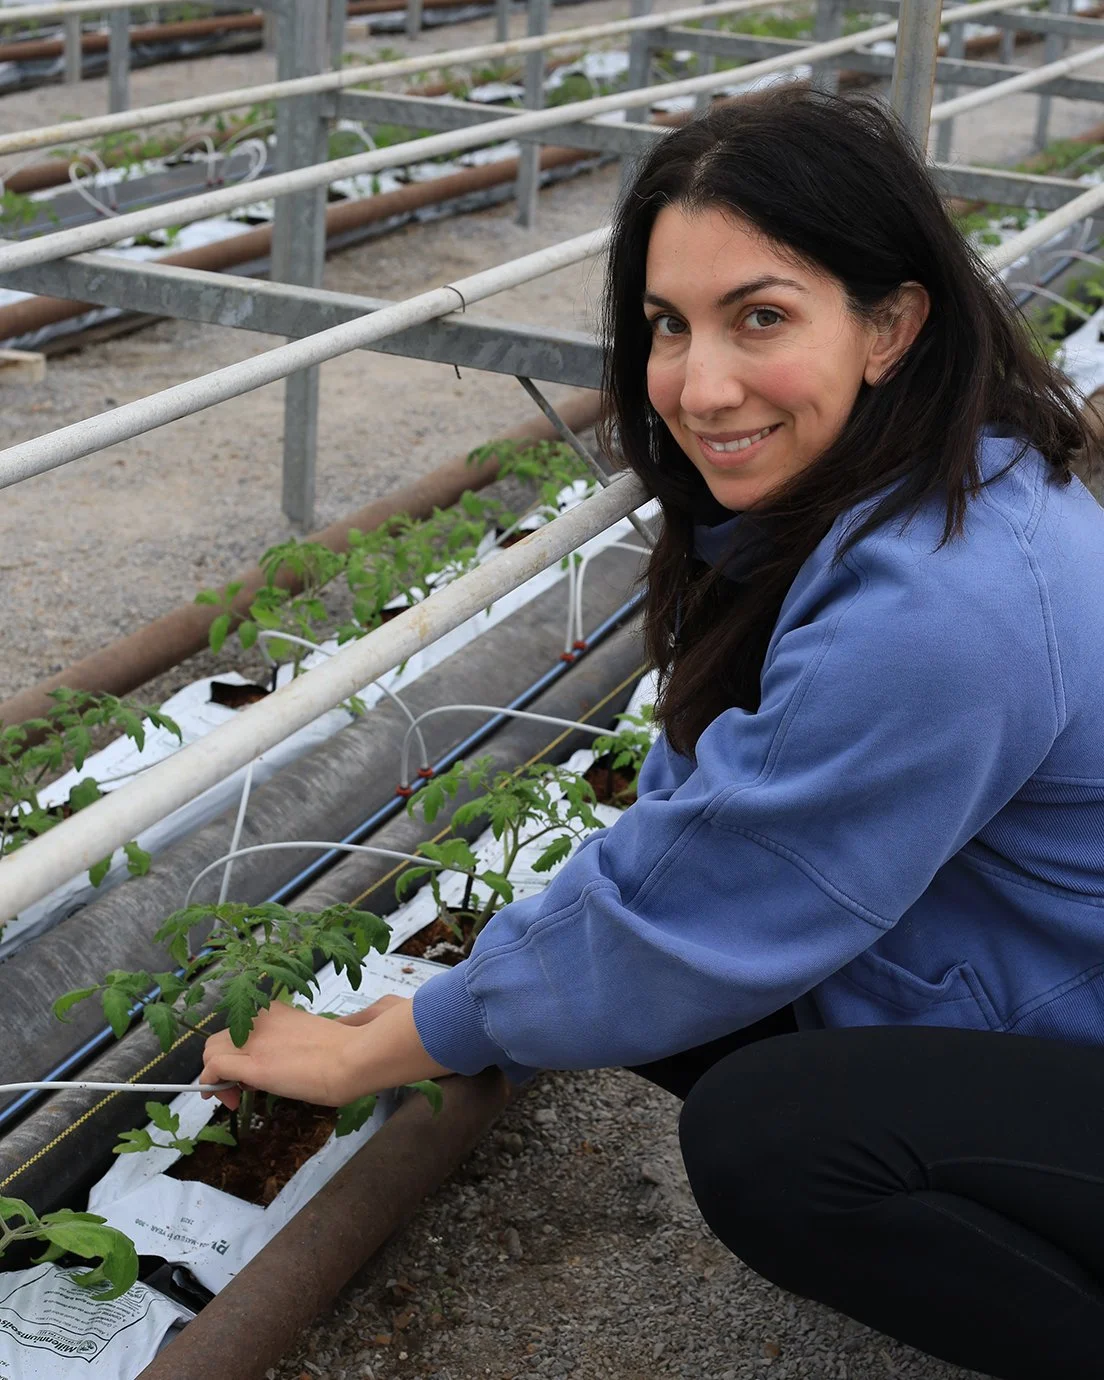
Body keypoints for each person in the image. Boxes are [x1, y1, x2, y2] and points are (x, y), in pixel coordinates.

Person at [201, 89, 1104, 1380]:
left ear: (894, 323)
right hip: (1048, 987)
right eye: (669, 326)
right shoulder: (889, 487)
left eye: (763, 317)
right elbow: (695, 852)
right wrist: (487, 996)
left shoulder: (951, 597)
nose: (698, 382)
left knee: (771, 1140)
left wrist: (376, 1044)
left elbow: (701, 894)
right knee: (654, 990)